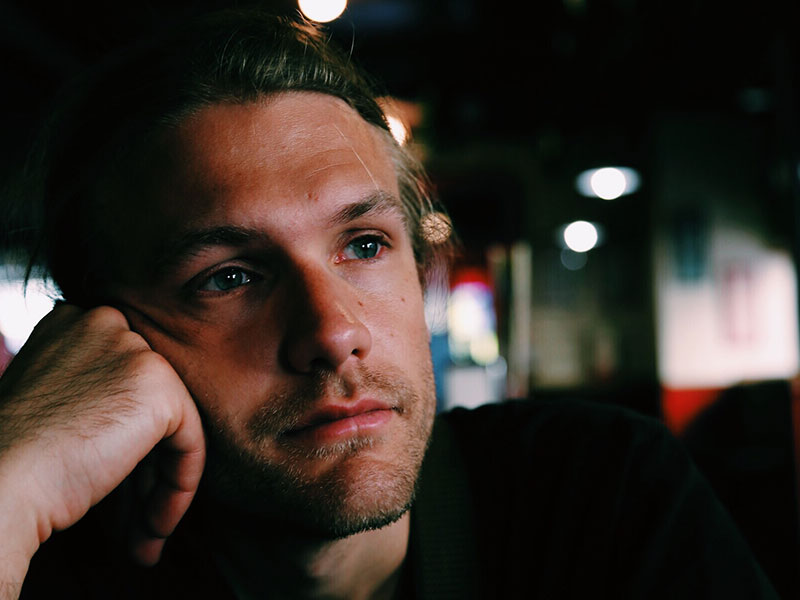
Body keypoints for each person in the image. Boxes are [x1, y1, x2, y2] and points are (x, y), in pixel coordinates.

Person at [0, 9, 780, 599]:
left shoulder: (597, 494)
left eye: (365, 245)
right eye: (230, 277)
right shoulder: (51, 563)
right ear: (94, 334)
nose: (335, 333)